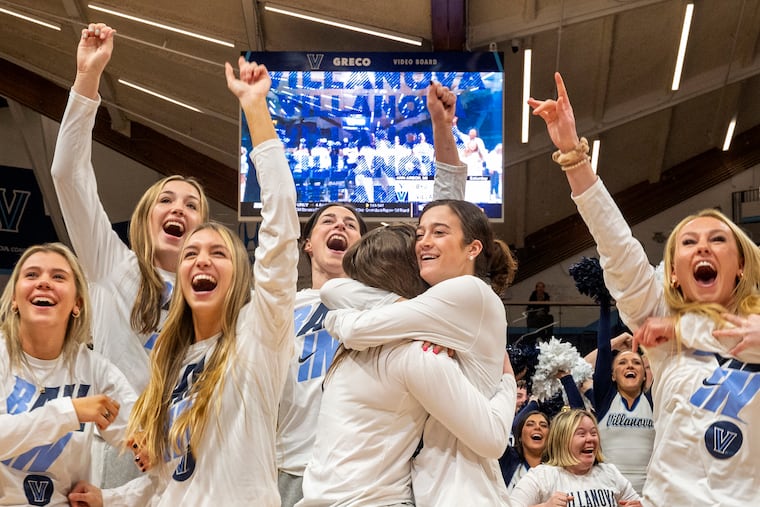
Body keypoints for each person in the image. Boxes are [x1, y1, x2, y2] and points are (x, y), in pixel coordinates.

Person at [69, 56, 300, 507]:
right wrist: (108, 501)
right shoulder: (172, 369)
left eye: (217, 253)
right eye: (192, 254)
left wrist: (256, 109)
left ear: (239, 278)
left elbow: (281, 234)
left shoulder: (258, 332)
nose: (200, 261)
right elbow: (168, 480)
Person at [529, 72, 760, 506]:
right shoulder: (660, 315)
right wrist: (574, 158)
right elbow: (617, 247)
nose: (701, 248)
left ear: (741, 262)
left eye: (716, 239)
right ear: (673, 273)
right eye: (687, 243)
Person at [276, 80, 468, 507]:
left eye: (350, 223)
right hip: (291, 466)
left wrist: (441, 127)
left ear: (363, 248)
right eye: (327, 221)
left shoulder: (390, 305)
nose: (340, 226)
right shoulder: (280, 306)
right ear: (307, 244)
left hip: (372, 478)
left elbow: (447, 219)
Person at [50, 23, 209, 488]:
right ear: (144, 219)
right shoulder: (111, 266)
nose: (178, 208)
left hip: (191, 458)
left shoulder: (217, 296)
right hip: (120, 449)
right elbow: (68, 174)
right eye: (166, 200)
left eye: (192, 204)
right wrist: (86, 79)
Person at [297, 223, 516, 506]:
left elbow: (334, 289)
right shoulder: (417, 354)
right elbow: (493, 439)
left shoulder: (351, 348)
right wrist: (508, 380)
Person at [0, 243, 135, 507]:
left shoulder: (97, 371)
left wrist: (111, 498)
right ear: (14, 298)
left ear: (77, 303)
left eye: (58, 277)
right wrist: (70, 412)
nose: (44, 283)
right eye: (31, 275)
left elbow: (144, 442)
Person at [510, 409, 641, 507]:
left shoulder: (609, 472)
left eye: (593, 433)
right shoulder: (541, 476)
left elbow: (639, 503)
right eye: (581, 434)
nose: (590, 439)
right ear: (562, 440)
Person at [576, 332, 653, 493]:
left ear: (645, 375)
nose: (630, 366)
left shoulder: (655, 402)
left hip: (649, 496)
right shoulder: (603, 400)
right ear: (612, 375)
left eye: (638, 363)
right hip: (608, 494)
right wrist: (615, 343)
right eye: (622, 363)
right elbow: (576, 370)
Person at [500, 410, 550, 493]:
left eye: (544, 425)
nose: (537, 427)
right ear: (519, 437)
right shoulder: (506, 459)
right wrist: (534, 403)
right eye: (530, 424)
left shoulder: (558, 468)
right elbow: (515, 424)